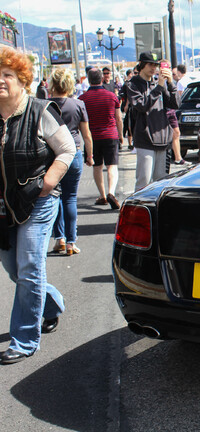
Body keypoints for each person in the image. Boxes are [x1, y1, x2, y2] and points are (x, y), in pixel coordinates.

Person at [0, 47, 76, 365]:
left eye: (7, 75)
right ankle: (52, 304)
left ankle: (25, 339)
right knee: (16, 270)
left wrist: (47, 183)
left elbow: (67, 149)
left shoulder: (40, 110)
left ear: (23, 80)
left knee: (30, 266)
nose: (1, 80)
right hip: (4, 207)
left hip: (39, 201)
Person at [48, 68, 94, 255]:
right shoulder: (78, 104)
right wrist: (90, 155)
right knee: (70, 197)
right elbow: (86, 134)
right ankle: (70, 242)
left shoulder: (46, 105)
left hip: (52, 155)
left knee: (55, 197)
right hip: (73, 152)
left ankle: (59, 238)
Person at [127, 51, 178, 191]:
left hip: (162, 138)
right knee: (143, 182)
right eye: (150, 65)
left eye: (156, 65)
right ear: (141, 65)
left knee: (161, 183)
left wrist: (170, 83)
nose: (154, 68)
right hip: (145, 139)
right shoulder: (133, 84)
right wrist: (159, 87)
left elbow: (175, 104)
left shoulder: (157, 83)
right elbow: (142, 105)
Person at [79, 68, 123, 209]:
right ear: (102, 79)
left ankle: (102, 195)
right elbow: (118, 118)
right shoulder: (111, 96)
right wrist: (121, 135)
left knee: (97, 166)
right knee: (112, 165)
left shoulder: (82, 99)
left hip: (92, 137)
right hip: (110, 135)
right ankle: (111, 192)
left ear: (88, 79)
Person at [162, 60, 189, 166]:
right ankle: (175, 156)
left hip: (171, 110)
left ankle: (178, 157)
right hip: (164, 111)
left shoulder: (172, 82)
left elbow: (177, 100)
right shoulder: (157, 81)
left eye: (168, 68)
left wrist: (170, 82)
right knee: (170, 135)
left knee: (176, 132)